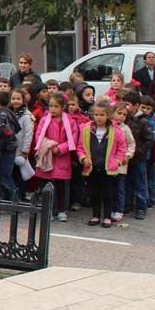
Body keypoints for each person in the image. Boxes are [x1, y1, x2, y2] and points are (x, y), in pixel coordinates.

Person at [77, 101, 128, 227]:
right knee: (94, 193)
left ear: (108, 116)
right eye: (96, 114)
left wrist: (117, 161)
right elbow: (80, 147)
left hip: (108, 168)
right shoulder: (86, 129)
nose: (98, 117)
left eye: (101, 115)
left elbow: (122, 147)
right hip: (92, 167)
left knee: (107, 193)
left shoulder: (115, 130)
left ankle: (107, 216)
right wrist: (83, 158)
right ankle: (95, 215)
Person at [33, 93, 77, 222]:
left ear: (63, 107)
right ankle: (48, 210)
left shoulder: (70, 122)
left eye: (56, 106)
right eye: (51, 106)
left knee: (61, 187)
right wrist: (50, 146)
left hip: (62, 158)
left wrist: (61, 148)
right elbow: (39, 136)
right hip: (47, 156)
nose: (52, 109)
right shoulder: (44, 120)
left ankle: (62, 210)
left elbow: (72, 139)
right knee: (46, 187)